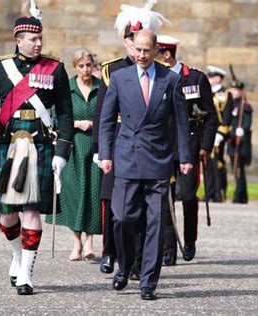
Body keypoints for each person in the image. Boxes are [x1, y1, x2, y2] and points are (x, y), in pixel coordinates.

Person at [0, 5, 74, 296]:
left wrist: (61, 152)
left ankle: (26, 275)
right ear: (18, 39)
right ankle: (18, 255)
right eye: (33, 39)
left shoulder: (55, 69)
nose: (39, 43)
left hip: (40, 144)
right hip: (7, 145)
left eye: (41, 38)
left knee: (32, 211)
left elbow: (66, 115)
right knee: (7, 215)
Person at [99, 29, 193, 300]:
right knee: (123, 217)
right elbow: (106, 120)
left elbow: (180, 122)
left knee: (154, 222)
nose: (141, 55)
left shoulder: (170, 80)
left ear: (156, 51)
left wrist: (185, 157)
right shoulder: (119, 78)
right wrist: (105, 154)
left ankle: (148, 282)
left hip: (158, 158)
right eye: (137, 49)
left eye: (146, 50)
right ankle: (125, 266)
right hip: (127, 156)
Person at [92, 0, 170, 279]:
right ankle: (110, 253)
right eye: (130, 40)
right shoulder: (112, 71)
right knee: (115, 207)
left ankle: (139, 264)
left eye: (140, 43)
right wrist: (100, 150)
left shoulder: (163, 77)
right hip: (119, 146)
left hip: (150, 151)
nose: (135, 48)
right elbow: (104, 113)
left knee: (147, 215)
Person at [155, 35, 218, 265]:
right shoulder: (154, 77)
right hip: (162, 145)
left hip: (189, 145)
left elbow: (211, 117)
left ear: (166, 54)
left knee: (189, 196)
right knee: (164, 197)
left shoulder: (195, 78)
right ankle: (168, 247)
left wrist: (205, 147)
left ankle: (190, 240)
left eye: (155, 52)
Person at [45, 49, 102, 262]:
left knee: (93, 192)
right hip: (72, 146)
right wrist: (77, 123)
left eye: (88, 65)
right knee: (74, 193)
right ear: (75, 67)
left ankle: (89, 242)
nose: (86, 69)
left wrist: (94, 124)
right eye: (81, 66)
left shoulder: (101, 87)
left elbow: (109, 116)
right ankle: (76, 241)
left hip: (95, 147)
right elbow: (56, 119)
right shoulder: (66, 88)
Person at [206, 65, 233, 202]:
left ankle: (219, 193)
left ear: (218, 78)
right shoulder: (207, 92)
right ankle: (209, 192)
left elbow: (227, 117)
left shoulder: (225, 94)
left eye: (211, 76)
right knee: (207, 165)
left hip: (218, 135)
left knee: (217, 164)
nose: (209, 78)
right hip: (207, 133)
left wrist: (221, 134)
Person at [226, 77, 253, 204]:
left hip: (241, 144)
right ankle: (240, 194)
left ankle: (240, 195)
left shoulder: (245, 106)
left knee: (239, 170)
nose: (234, 92)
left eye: (236, 90)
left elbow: (246, 124)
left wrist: (241, 130)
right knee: (235, 168)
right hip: (232, 142)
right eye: (233, 89)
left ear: (241, 91)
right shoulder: (232, 104)